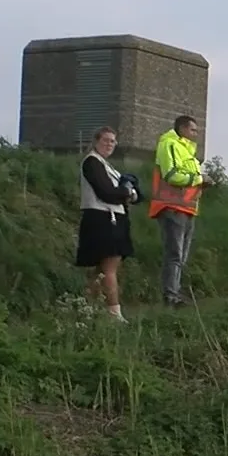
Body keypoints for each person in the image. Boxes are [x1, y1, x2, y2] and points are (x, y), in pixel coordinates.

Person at [75, 126, 138, 322]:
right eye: (105, 140)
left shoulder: (106, 165)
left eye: (113, 141)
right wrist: (127, 192)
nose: (109, 144)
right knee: (109, 269)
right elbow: (106, 192)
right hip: (102, 218)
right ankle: (114, 313)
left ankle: (85, 309)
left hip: (111, 218)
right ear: (96, 141)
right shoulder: (92, 162)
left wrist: (129, 192)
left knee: (101, 270)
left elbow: (135, 194)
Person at [150, 114, 204, 308]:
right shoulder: (169, 145)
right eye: (193, 129)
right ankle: (170, 296)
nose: (196, 134)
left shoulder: (188, 151)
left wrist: (202, 182)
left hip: (187, 208)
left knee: (181, 257)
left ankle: (175, 294)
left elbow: (188, 178)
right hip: (171, 206)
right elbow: (172, 175)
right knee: (174, 254)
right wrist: (200, 180)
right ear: (182, 128)